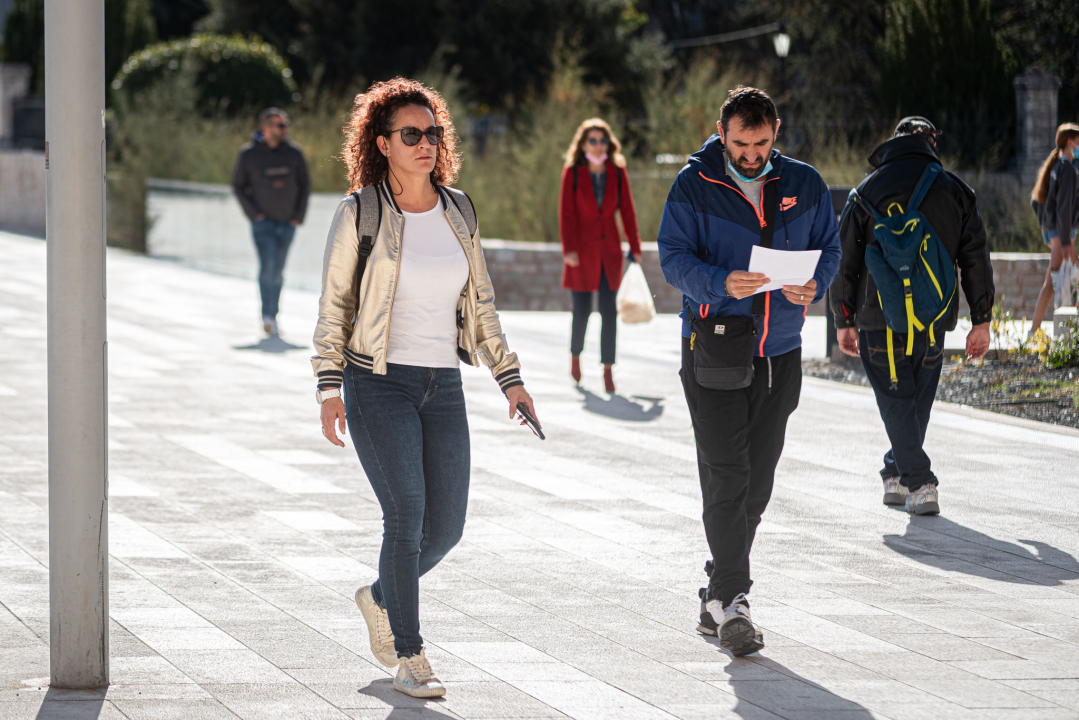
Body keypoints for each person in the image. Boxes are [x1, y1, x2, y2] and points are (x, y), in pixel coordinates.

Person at [311, 78, 539, 698]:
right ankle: (410, 656)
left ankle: (381, 597)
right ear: (382, 143)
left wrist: (509, 378)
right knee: (405, 518)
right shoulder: (359, 211)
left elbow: (481, 302)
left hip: (444, 385)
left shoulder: (458, 209)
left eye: (432, 132)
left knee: (448, 528)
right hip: (377, 383)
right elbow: (334, 307)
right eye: (410, 134)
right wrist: (328, 386)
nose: (425, 144)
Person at [658, 86, 841, 656]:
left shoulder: (805, 184)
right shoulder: (693, 185)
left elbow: (830, 249)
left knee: (756, 485)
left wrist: (817, 284)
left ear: (776, 131)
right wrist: (719, 282)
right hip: (714, 349)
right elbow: (672, 257)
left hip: (781, 353)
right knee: (726, 474)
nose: (751, 154)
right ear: (722, 132)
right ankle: (735, 601)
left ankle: (717, 590)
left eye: (761, 143)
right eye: (740, 143)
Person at [831, 116, 994, 515]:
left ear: (894, 140)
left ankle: (900, 476)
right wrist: (982, 319)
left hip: (876, 319)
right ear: (932, 142)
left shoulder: (866, 191)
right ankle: (916, 480)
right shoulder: (956, 190)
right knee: (916, 400)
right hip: (932, 318)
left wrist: (843, 319)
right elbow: (975, 257)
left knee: (897, 400)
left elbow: (844, 260)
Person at [559, 118, 643, 392]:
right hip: (580, 253)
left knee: (608, 312)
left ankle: (608, 369)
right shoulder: (572, 172)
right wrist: (568, 250)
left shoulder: (617, 172)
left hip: (609, 253)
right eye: (592, 140)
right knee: (581, 311)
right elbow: (566, 214)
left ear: (609, 143)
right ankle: (575, 356)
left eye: (602, 140)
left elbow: (628, 211)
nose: (597, 145)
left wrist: (635, 245)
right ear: (583, 144)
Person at [232, 107, 311, 337]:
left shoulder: (294, 153)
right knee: (268, 267)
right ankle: (267, 316)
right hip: (263, 224)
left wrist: (298, 216)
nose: (284, 129)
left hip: (288, 223)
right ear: (266, 128)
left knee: (278, 270)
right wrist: (254, 215)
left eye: (285, 125)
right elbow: (238, 186)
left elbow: (305, 185)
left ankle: (273, 316)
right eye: (279, 125)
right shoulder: (248, 154)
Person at [1030, 123, 1079, 331]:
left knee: (1059, 280)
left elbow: (1038, 203)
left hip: (1058, 232)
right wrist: (1066, 240)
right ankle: (1034, 330)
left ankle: (1036, 330)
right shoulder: (1066, 168)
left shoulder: (1057, 166)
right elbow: (1064, 207)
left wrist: (1047, 230)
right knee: (1053, 282)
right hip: (1062, 234)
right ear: (1070, 142)